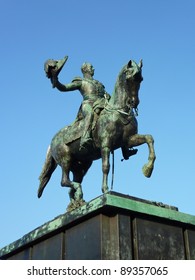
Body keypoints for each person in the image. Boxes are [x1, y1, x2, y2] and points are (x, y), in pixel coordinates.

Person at [51, 62, 110, 150]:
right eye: (91, 67)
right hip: (88, 104)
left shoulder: (99, 84)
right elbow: (64, 87)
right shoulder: (81, 82)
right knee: (90, 114)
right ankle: (85, 137)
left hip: (101, 104)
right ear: (85, 70)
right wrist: (55, 80)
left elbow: (107, 95)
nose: (93, 69)